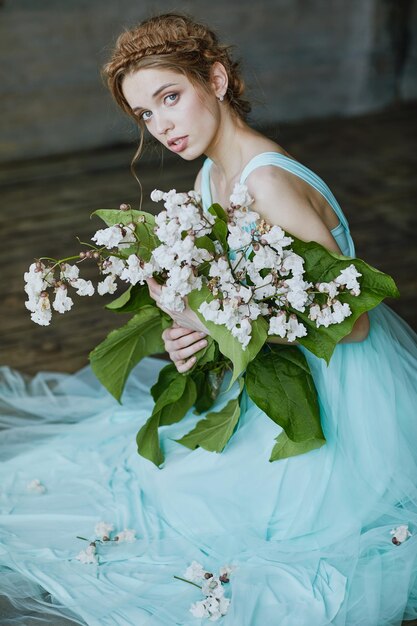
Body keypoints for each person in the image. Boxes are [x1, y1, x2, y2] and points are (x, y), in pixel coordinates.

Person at [1, 12, 417, 626]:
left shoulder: (268, 183)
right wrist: (191, 327)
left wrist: (221, 320)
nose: (161, 125)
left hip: (339, 385)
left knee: (209, 511)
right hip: (274, 368)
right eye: (145, 113)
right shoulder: (209, 173)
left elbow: (352, 324)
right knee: (164, 477)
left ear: (216, 80)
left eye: (170, 97)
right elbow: (236, 289)